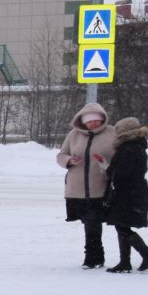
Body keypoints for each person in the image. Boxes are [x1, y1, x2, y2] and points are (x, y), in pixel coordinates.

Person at [58, 103, 115, 269]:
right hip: (76, 189)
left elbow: (119, 158)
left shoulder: (112, 133)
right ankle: (95, 256)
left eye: (97, 120)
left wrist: (105, 164)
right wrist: (69, 161)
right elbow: (61, 155)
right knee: (88, 223)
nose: (93, 124)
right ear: (83, 122)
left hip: (99, 188)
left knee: (93, 223)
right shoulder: (74, 135)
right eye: (90, 121)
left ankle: (93, 257)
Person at [102, 117, 148, 273]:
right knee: (122, 225)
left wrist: (107, 168)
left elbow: (121, 173)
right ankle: (125, 262)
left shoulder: (127, 149)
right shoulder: (137, 146)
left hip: (128, 192)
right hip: (134, 190)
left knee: (122, 225)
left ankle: (147, 256)